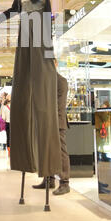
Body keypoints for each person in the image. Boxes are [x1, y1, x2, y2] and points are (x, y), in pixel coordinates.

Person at [0, 0, 73, 201]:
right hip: (26, 21)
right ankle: (48, 176)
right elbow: (16, 8)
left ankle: (62, 179)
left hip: (39, 18)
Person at [33, 62, 71, 195]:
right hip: (45, 122)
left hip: (57, 122)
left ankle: (65, 182)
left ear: (55, 63)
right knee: (45, 151)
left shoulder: (61, 81)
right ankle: (48, 179)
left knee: (61, 152)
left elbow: (60, 106)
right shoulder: (45, 81)